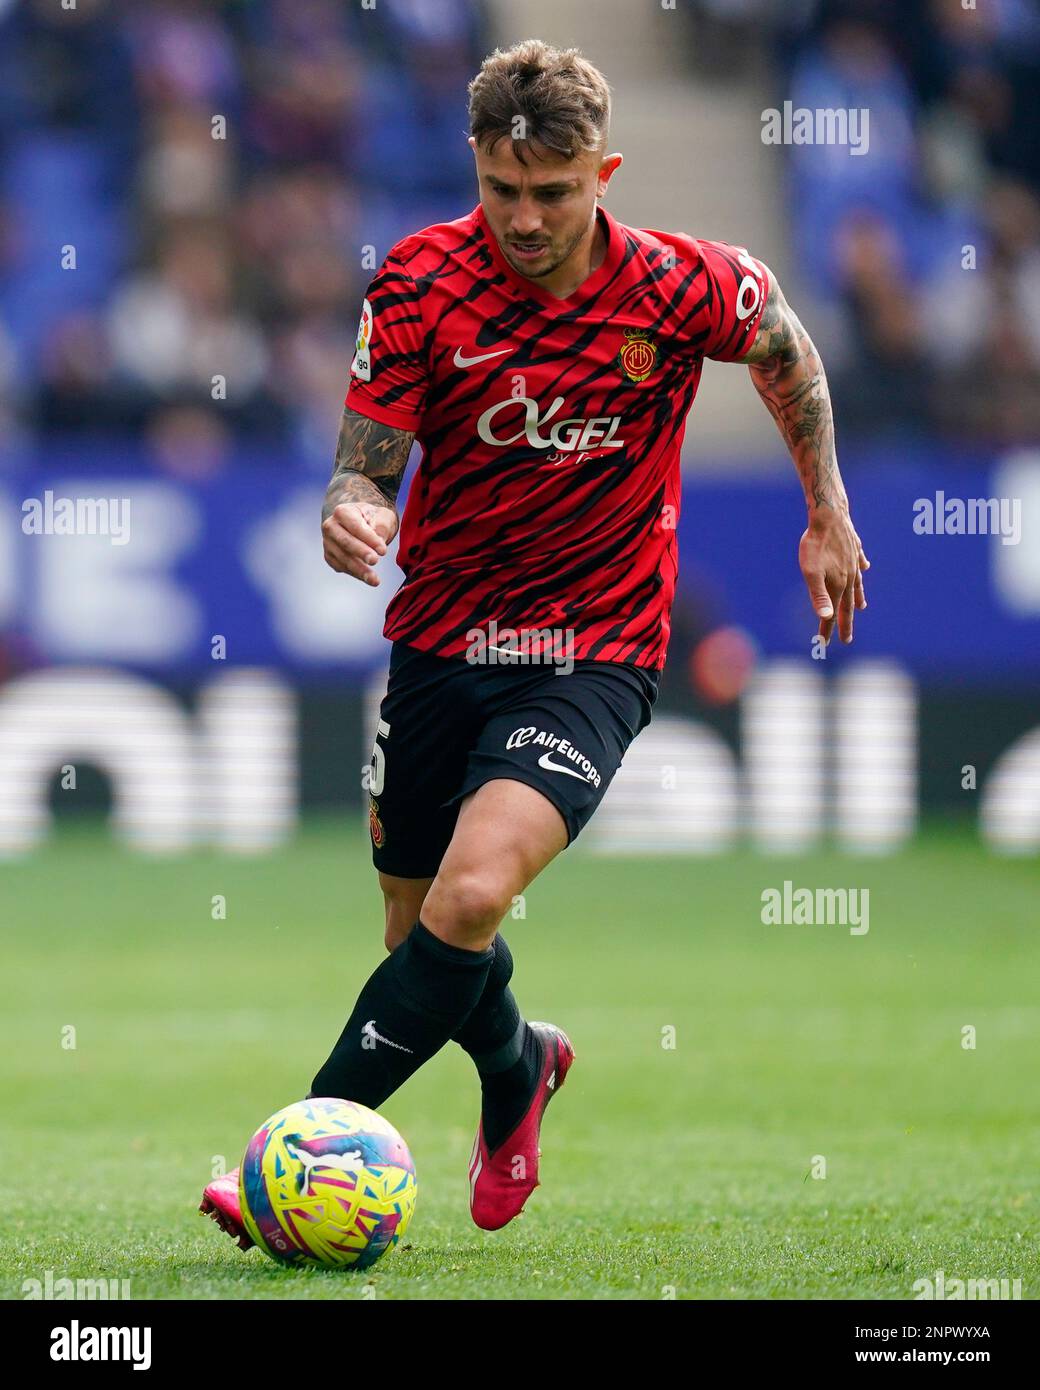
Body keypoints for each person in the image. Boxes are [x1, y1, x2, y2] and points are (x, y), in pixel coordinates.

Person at [202, 37, 869, 1247]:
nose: (522, 216)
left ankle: (297, 1148)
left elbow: (782, 346)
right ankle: (520, 1067)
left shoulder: (675, 284)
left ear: (601, 173)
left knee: (468, 896)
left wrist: (825, 507)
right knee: (419, 938)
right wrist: (351, 507)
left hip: (595, 647)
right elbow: (365, 464)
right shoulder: (417, 280)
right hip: (442, 641)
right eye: (501, 189)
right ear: (476, 165)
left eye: (551, 193)